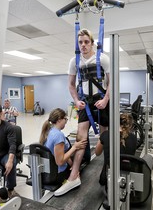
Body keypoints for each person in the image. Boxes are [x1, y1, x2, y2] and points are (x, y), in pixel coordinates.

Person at [54, 29, 110, 196]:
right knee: (80, 137)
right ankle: (74, 176)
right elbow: (71, 84)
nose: (83, 45)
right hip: (85, 102)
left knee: (104, 137)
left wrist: (106, 100)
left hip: (101, 100)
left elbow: (113, 81)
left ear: (92, 43)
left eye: (86, 42)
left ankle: (107, 169)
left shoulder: (103, 58)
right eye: (81, 42)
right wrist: (77, 100)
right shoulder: (74, 61)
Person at [95, 113, 137, 209]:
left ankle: (110, 196)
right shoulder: (134, 138)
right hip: (127, 180)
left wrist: (102, 140)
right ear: (130, 125)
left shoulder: (105, 134)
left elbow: (97, 153)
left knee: (108, 163)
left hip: (107, 180)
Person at [39, 108, 87, 186]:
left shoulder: (50, 131)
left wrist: (72, 165)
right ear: (59, 120)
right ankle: (65, 182)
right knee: (84, 163)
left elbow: (61, 153)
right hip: (59, 175)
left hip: (51, 171)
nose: (66, 122)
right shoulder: (58, 136)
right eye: (65, 119)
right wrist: (74, 147)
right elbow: (60, 161)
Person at [0, 106, 18, 198]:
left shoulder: (8, 127)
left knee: (11, 163)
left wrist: (9, 161)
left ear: (1, 114)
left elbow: (12, 145)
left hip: (4, 154)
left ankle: (10, 189)